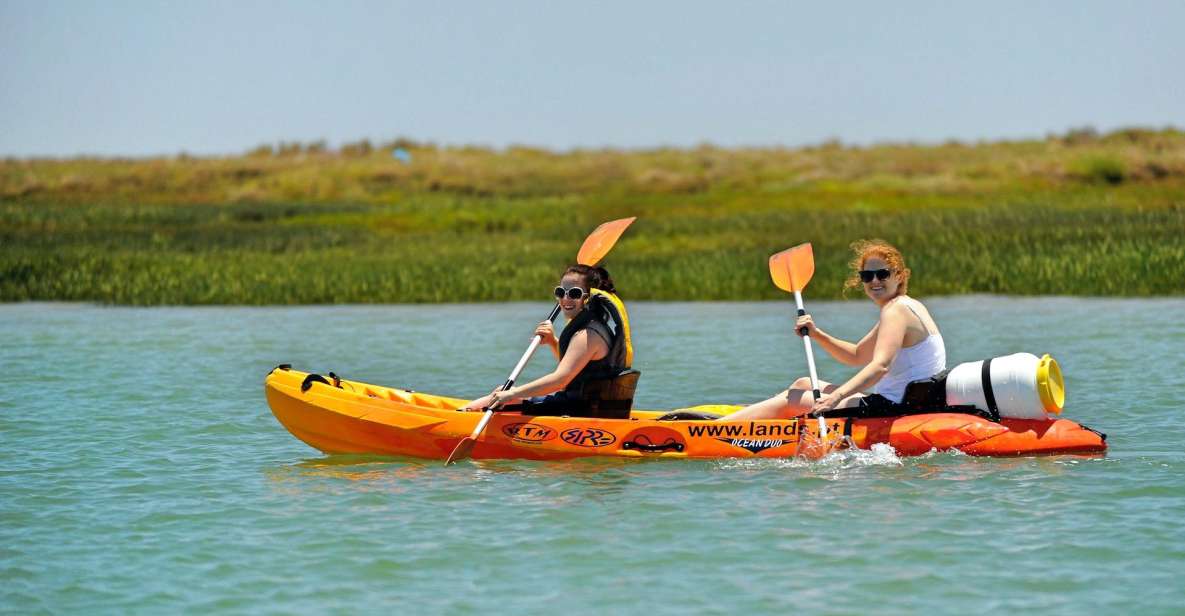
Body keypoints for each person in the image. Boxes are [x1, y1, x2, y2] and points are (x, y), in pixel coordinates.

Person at [724, 239, 945, 421]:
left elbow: (880, 366)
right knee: (803, 383)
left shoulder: (896, 311)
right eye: (867, 276)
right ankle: (760, 421)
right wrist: (817, 334)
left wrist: (835, 398)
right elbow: (857, 355)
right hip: (901, 400)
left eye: (882, 274)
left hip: (894, 408)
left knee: (791, 399)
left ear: (899, 276)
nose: (874, 281)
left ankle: (716, 429)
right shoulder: (905, 306)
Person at [463, 264, 636, 417]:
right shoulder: (596, 327)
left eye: (574, 293)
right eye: (560, 292)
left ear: (588, 297)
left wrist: (511, 395)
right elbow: (575, 369)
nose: (565, 299)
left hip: (577, 412)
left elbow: (560, 380)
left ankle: (462, 415)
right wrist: (553, 342)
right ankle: (466, 412)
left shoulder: (588, 334)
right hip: (583, 407)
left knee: (502, 395)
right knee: (503, 393)